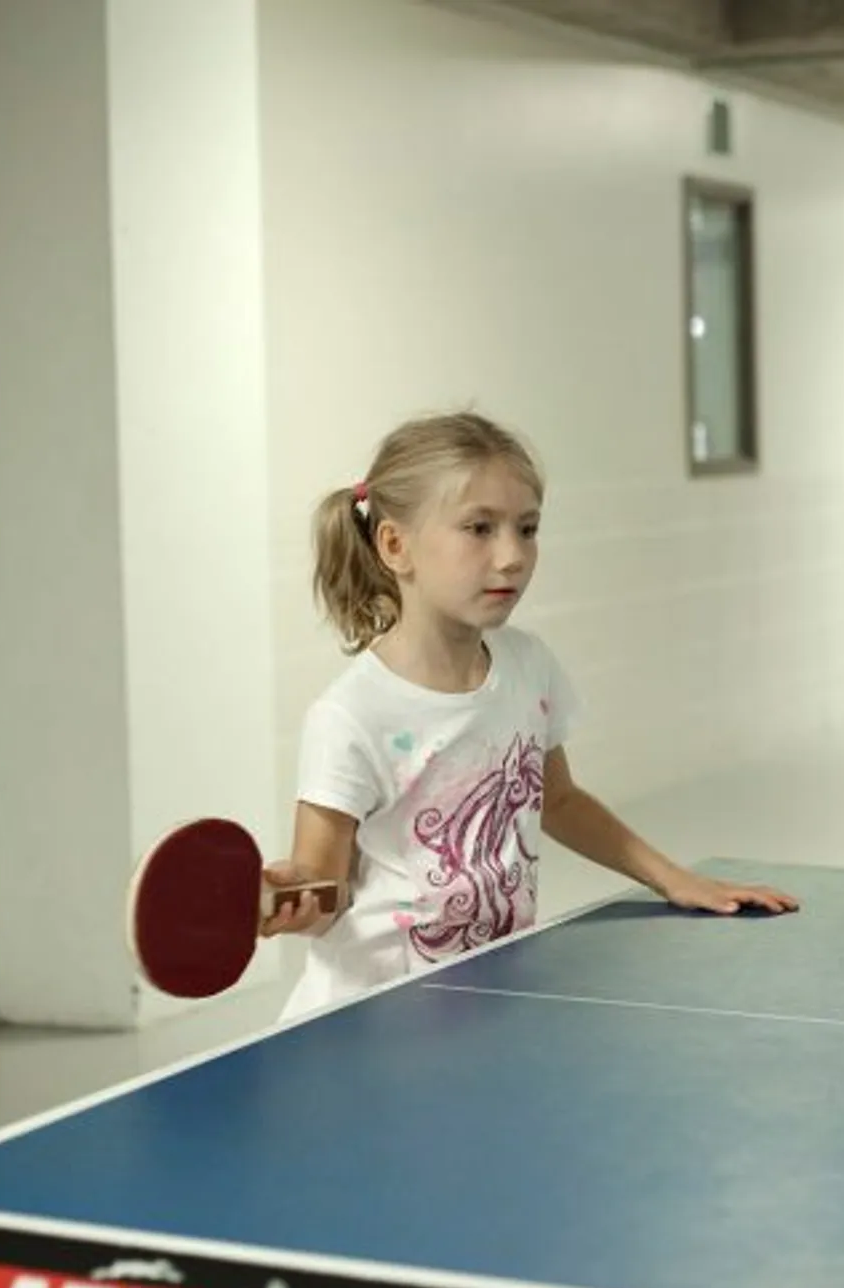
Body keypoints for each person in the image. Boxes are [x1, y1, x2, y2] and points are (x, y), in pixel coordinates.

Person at [261, 411, 797, 1019]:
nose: (512, 556)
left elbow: (559, 800)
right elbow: (322, 889)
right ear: (394, 545)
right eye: (479, 528)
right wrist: (294, 898)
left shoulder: (526, 665)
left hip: (482, 1000)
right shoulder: (350, 715)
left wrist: (672, 878)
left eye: (528, 528)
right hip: (371, 1020)